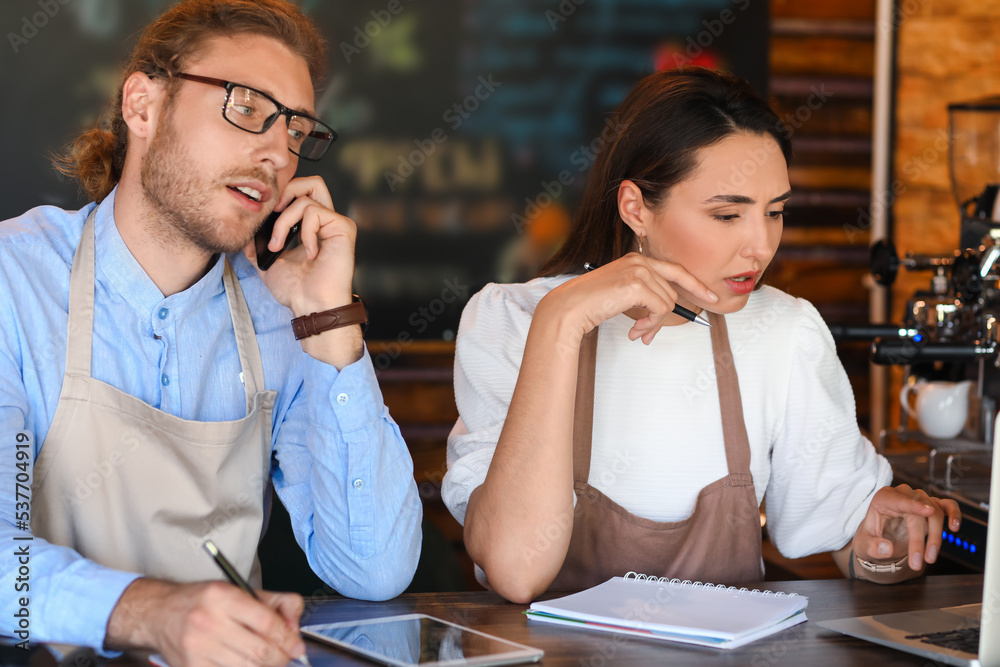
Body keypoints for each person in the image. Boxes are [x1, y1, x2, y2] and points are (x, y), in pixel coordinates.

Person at [0, 0, 422, 663]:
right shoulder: (14, 279)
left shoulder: (283, 307)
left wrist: (329, 321)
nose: (275, 153)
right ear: (143, 106)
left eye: (296, 131)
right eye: (247, 108)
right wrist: (153, 612)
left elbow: (373, 569)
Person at [441, 67, 961, 604]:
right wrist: (561, 321)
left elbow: (857, 544)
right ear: (635, 207)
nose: (760, 246)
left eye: (775, 212)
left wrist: (890, 550)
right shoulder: (515, 320)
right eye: (727, 214)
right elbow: (515, 569)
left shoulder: (784, 332)